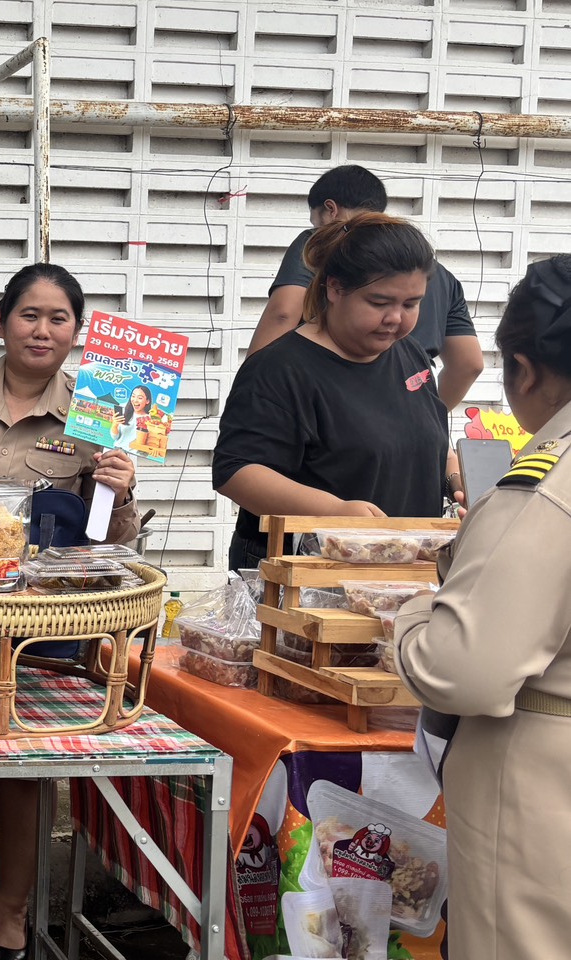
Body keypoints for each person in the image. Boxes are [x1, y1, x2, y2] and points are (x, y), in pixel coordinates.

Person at [0, 263, 139, 960]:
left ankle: (13, 911)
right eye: (29, 315)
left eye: (59, 318)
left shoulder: (99, 412)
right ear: (1, 319)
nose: (42, 330)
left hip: (43, 625)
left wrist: (120, 490)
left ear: (76, 332)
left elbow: (111, 545)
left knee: (24, 771)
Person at [395, 254, 571, 959]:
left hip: (541, 787)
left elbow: (464, 669)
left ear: (524, 371)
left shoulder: (546, 482)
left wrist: (411, 616)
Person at [215, 212, 451, 571]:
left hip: (405, 573)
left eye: (410, 304)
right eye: (379, 302)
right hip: (310, 577)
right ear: (335, 288)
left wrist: (455, 476)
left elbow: (428, 440)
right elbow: (237, 472)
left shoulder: (410, 354)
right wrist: (334, 512)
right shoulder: (280, 368)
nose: (396, 319)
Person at [247, 164, 483, 409]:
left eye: (410, 304)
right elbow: (469, 363)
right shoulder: (434, 271)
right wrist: (430, 418)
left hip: (336, 398)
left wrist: (252, 389)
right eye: (379, 302)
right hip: (412, 400)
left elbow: (283, 313)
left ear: (330, 210)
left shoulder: (318, 247)